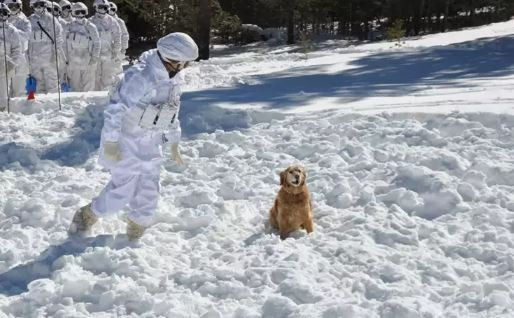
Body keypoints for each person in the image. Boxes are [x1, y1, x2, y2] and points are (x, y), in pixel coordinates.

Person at [68, 32, 198, 240]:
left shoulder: (173, 79)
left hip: (151, 141)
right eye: (184, 63)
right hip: (125, 141)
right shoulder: (141, 76)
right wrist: (111, 142)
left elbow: (171, 111)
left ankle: (137, 229)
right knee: (123, 190)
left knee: (149, 189)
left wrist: (174, 141)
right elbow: (115, 110)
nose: (185, 68)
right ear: (172, 59)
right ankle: (87, 215)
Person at [27, 0, 66, 93]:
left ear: (45, 6)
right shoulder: (29, 20)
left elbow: (58, 37)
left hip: (49, 59)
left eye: (41, 5)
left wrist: (56, 53)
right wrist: (28, 57)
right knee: (39, 86)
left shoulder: (51, 19)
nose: (39, 7)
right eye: (36, 5)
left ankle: (53, 105)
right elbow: (27, 40)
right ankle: (41, 106)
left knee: (52, 85)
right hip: (35, 60)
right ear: (32, 6)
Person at [64, 2, 99, 91]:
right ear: (73, 13)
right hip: (73, 61)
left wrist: (95, 57)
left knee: (89, 86)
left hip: (87, 60)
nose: (80, 14)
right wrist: (65, 59)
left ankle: (89, 104)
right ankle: (76, 104)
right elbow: (63, 43)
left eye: (82, 12)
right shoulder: (68, 26)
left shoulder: (91, 26)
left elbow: (97, 43)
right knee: (75, 86)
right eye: (77, 12)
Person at [89, 0, 120, 91]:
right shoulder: (90, 21)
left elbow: (117, 36)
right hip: (95, 54)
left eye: (105, 7)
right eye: (101, 7)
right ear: (96, 7)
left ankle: (106, 97)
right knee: (95, 77)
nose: (103, 9)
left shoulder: (112, 21)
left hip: (108, 53)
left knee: (108, 77)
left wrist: (116, 50)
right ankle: (95, 98)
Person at [4, 0, 31, 97]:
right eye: (11, 6)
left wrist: (13, 32)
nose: (14, 9)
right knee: (5, 87)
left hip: (20, 57)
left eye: (16, 6)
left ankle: (19, 109)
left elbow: (27, 35)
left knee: (19, 88)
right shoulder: (3, 19)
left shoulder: (24, 21)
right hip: (5, 57)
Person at [0, 3, 22, 109]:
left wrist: (12, 64)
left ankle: (3, 112)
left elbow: (17, 50)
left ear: (8, 15)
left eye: (4, 13)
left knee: (3, 93)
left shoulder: (12, 31)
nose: (1, 16)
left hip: (5, 65)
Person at [108, 2, 128, 75]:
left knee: (117, 69)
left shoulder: (119, 22)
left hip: (117, 48)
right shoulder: (104, 21)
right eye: (109, 10)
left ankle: (119, 84)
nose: (110, 11)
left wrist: (124, 48)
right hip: (106, 49)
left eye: (112, 10)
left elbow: (125, 35)